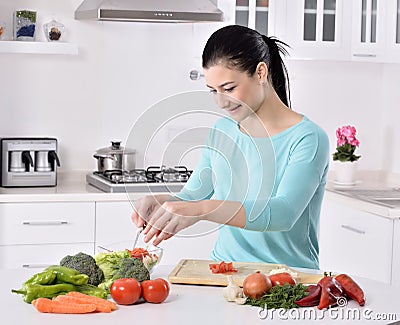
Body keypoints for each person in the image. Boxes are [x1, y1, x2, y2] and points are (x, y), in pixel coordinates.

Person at [132, 25, 329, 270]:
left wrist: (202, 209)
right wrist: (162, 201)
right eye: (213, 91)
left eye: (228, 89)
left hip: (289, 280)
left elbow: (284, 212)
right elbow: (195, 194)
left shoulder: (307, 138)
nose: (221, 101)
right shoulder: (222, 131)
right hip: (225, 272)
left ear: (260, 73)